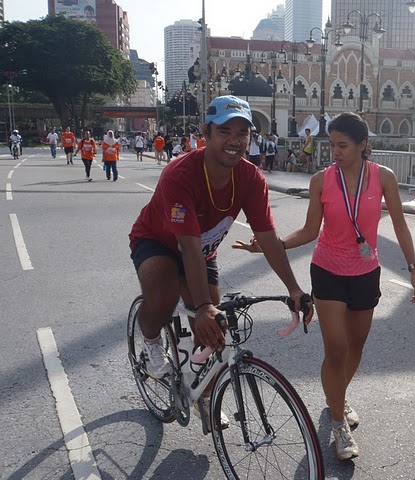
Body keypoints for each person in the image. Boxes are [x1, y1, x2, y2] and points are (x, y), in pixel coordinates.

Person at [233, 112, 415, 461]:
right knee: (336, 349)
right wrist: (273, 245)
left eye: (342, 145)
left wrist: (414, 268)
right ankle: (338, 423)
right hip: (328, 271)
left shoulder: (383, 177)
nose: (335, 152)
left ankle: (337, 396)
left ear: (363, 145)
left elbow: (400, 225)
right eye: (332, 144)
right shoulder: (322, 180)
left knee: (356, 346)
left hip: (366, 272)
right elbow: (310, 231)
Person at [128, 96, 313, 407]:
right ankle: (150, 340)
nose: (234, 141)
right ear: (207, 133)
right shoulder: (180, 174)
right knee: (165, 294)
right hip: (159, 242)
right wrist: (202, 307)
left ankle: (203, 397)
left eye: (242, 133)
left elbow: (269, 239)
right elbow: (187, 246)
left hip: (202, 252)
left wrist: (294, 289)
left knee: (214, 332)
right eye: (225, 131)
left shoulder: (251, 177)